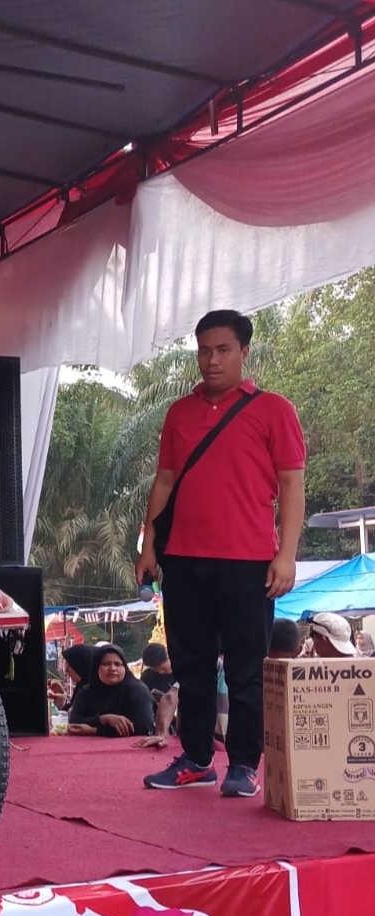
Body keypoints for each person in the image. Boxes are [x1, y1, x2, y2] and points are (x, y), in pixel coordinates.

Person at [137, 309, 305, 798]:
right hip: (183, 560)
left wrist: (287, 554)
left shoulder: (275, 410)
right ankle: (195, 759)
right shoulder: (179, 413)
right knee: (190, 665)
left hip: (249, 560)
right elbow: (164, 482)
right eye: (204, 350)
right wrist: (149, 546)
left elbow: (292, 486)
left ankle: (245, 764)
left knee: (245, 667)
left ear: (244, 352)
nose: (211, 361)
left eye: (223, 350)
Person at [67, 643, 155, 738]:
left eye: (117, 664)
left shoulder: (138, 691)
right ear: (96, 667)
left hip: (132, 749)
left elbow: (144, 728)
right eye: (106, 664)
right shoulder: (87, 691)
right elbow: (74, 722)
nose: (112, 669)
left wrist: (95, 730)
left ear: (125, 667)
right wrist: (103, 719)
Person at [49, 644, 93, 711]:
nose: (66, 669)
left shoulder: (92, 692)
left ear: (80, 665)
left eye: (70, 665)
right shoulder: (80, 686)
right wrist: (62, 696)